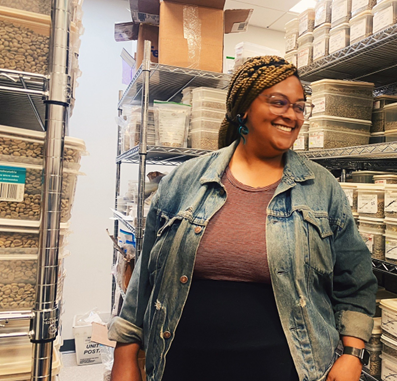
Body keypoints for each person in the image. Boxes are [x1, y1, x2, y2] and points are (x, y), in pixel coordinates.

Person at [108, 55, 377, 381]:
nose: (291, 115)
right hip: (181, 364)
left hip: (287, 368)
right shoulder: (185, 181)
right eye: (279, 102)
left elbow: (356, 280)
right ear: (245, 108)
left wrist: (352, 354)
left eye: (300, 107)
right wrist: (125, 354)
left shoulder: (321, 189)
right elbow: (145, 277)